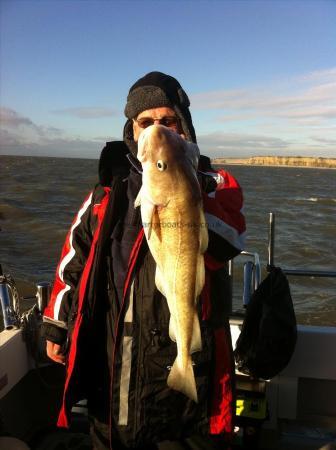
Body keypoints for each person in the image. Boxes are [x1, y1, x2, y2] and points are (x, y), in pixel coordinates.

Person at [41, 72, 246, 450]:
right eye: (145, 122)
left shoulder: (213, 184)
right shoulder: (107, 194)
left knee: (181, 439)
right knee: (113, 435)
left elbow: (229, 239)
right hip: (116, 353)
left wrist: (192, 191)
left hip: (182, 358)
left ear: (184, 127)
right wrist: (57, 325)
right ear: (131, 131)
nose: (156, 130)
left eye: (167, 121)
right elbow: (73, 258)